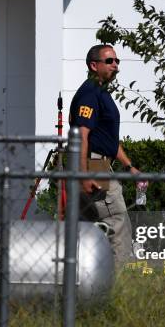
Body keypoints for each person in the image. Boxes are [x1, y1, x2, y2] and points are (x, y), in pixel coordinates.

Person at [69, 44, 143, 267]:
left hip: (97, 162)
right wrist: (84, 174)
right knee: (116, 222)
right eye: (110, 61)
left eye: (117, 61)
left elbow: (107, 139)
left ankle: (86, 284)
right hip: (93, 165)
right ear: (94, 65)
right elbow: (82, 135)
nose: (116, 66)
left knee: (90, 228)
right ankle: (119, 286)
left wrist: (129, 166)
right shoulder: (90, 93)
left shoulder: (100, 92)